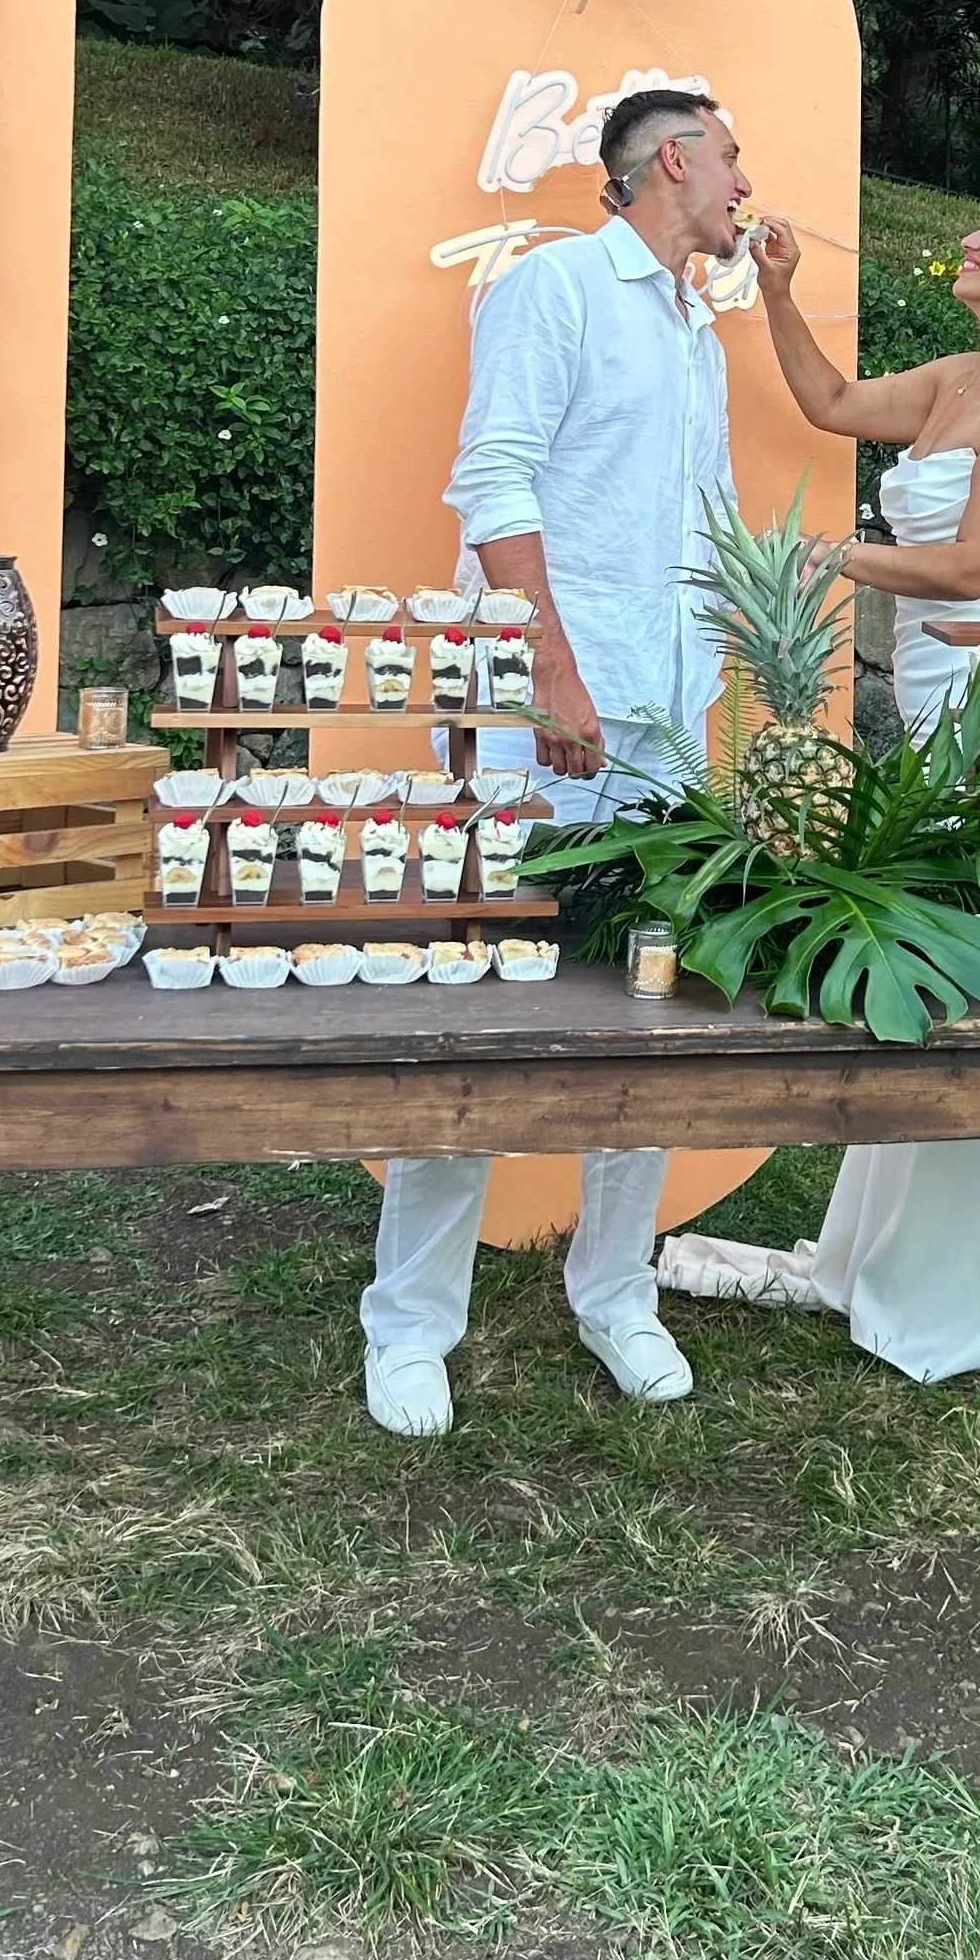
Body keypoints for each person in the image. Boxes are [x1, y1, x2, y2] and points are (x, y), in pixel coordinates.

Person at [658, 186, 980, 1382]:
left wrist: (828, 553)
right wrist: (774, 287)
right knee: (930, 967)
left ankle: (975, 1279)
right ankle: (899, 1246)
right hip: (928, 714)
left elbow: (974, 566)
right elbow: (826, 403)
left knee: (971, 974)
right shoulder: (952, 381)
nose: (968, 239)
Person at [359, 85, 752, 1435]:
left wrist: (721, 677)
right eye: (732, 153)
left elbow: (704, 518)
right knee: (480, 1002)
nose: (746, 179)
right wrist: (553, 672)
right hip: (551, 713)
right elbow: (497, 482)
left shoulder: (697, 325)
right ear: (676, 160)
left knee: (651, 1006)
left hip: (665, 717)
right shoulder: (556, 287)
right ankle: (411, 1321)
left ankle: (615, 1292)